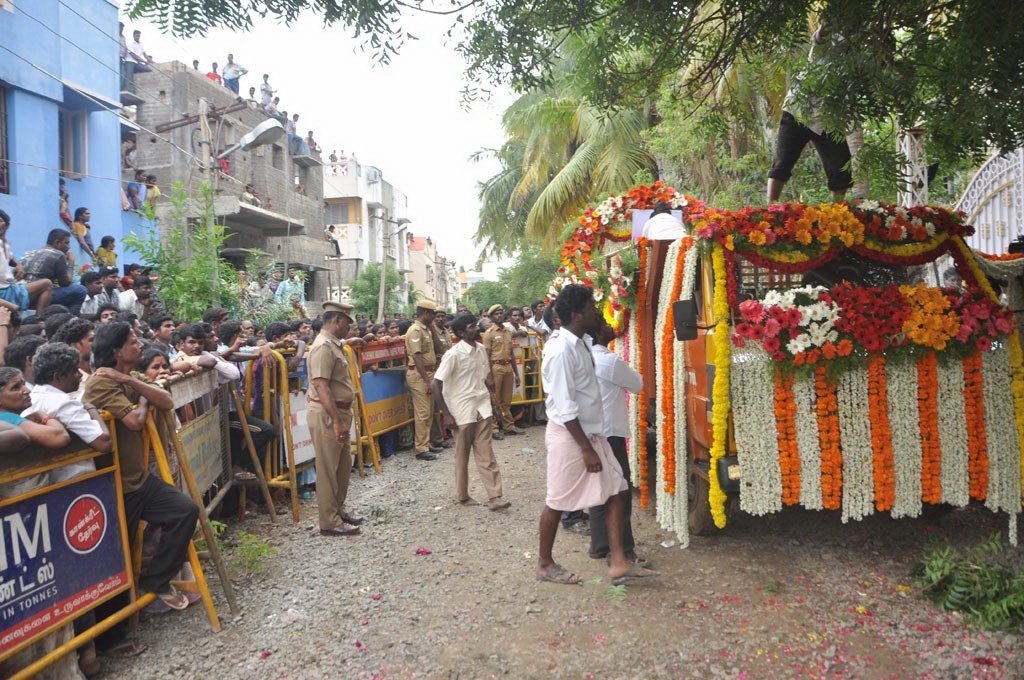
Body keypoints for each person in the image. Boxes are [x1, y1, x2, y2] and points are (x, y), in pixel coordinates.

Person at [537, 284, 657, 586]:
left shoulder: (581, 343)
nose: (597, 312)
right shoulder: (561, 349)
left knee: (618, 489)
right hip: (571, 436)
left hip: (592, 434)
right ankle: (544, 563)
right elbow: (564, 407)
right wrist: (585, 449)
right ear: (577, 315)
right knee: (557, 501)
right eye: (592, 307)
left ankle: (618, 562)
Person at [83, 322, 199, 609]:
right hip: (114, 484)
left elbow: (167, 401)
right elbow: (134, 422)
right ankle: (116, 631)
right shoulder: (100, 382)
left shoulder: (129, 376)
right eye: (133, 341)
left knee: (185, 511)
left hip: (138, 479)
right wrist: (143, 400)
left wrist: (134, 384)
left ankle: (156, 579)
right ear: (117, 351)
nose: (139, 345)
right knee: (114, 556)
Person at [432, 314, 510, 510]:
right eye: (471, 326)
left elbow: (485, 380)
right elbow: (436, 383)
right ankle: (463, 496)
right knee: (462, 455)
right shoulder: (453, 354)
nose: (476, 328)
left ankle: (495, 497)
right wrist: (446, 414)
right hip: (461, 411)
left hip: (481, 407)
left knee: (486, 453)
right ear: (460, 333)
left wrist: (494, 406)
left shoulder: (481, 350)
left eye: (475, 325)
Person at [767, 23, 852, 202]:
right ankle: (770, 209)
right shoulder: (830, 41)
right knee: (782, 162)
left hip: (828, 117)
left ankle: (838, 212)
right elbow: (819, 38)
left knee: (841, 166)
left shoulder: (865, 51)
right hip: (798, 110)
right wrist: (828, 24)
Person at [588, 318, 647, 566]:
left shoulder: (584, 357)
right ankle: (624, 551)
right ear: (598, 332)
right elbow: (638, 385)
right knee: (620, 493)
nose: (610, 325)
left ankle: (600, 545)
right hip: (611, 434)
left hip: (591, 433)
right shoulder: (608, 360)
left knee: (599, 490)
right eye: (603, 322)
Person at [306, 301, 364, 536]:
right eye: (348, 323)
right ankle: (329, 522)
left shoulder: (333, 345)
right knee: (329, 468)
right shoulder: (323, 347)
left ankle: (338, 510)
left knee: (342, 466)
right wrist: (337, 420)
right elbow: (321, 386)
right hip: (328, 413)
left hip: (339, 411)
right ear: (337, 321)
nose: (349, 327)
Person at [405, 300, 442, 461]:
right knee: (423, 412)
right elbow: (416, 356)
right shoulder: (415, 330)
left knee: (430, 409)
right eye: (432, 313)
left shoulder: (426, 329)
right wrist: (426, 380)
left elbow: (439, 348)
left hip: (429, 372)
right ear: (425, 313)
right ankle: (421, 448)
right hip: (420, 375)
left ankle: (427, 443)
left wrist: (433, 329)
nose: (434, 316)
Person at [20, 228, 88, 314]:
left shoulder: (29, 252)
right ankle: (72, 319)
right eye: (66, 243)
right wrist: (71, 262)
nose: (69, 247)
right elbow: (65, 283)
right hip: (38, 295)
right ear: (57, 243)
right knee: (80, 290)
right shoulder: (58, 254)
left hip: (21, 293)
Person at [0, 209, 54, 315]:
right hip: (4, 291)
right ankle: (39, 320)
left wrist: (18, 265)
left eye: (1, 221)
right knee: (46, 284)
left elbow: (9, 257)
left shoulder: (4, 243)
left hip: (8, 287)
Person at [482, 304, 523, 439]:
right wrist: (488, 376)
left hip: (507, 367)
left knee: (506, 399)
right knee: (494, 399)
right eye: (496, 314)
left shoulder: (507, 331)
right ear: (492, 317)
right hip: (495, 367)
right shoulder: (489, 334)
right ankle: (494, 428)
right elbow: (486, 355)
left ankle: (508, 426)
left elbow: (511, 353)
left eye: (501, 313)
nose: (499, 315)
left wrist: (516, 374)